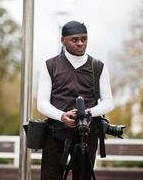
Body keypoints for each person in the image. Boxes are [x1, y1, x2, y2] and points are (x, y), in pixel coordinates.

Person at [37, 20, 114, 179]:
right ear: (62, 40)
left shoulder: (98, 66)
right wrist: (61, 116)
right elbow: (42, 103)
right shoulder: (50, 65)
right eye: (75, 39)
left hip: (86, 133)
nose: (80, 43)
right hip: (56, 133)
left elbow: (108, 101)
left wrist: (87, 112)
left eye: (84, 39)